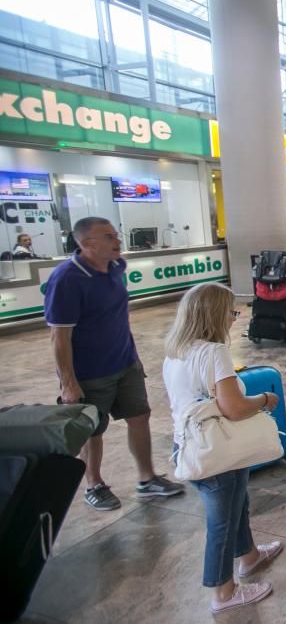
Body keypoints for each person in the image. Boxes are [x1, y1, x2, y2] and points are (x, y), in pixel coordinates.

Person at [44, 217, 184, 511]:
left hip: (125, 361)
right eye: (108, 237)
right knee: (92, 430)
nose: (117, 240)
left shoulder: (115, 267)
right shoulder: (67, 279)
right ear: (86, 244)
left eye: (115, 234)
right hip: (90, 373)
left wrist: (132, 356)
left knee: (139, 417)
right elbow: (59, 338)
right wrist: (69, 382)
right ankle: (93, 484)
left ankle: (147, 479)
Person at [162, 283, 283, 614]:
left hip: (191, 444)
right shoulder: (214, 353)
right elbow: (233, 407)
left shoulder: (176, 351)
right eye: (231, 312)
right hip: (216, 450)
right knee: (223, 522)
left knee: (236, 505)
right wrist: (264, 400)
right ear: (215, 314)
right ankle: (223, 592)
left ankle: (250, 557)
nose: (233, 319)